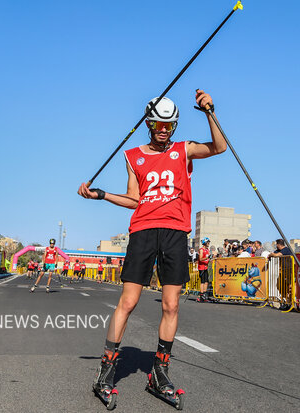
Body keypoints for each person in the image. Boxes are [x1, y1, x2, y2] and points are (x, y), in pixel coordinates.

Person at [78, 90, 225, 400]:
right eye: (159, 124)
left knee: (171, 304)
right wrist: (102, 195)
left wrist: (209, 111)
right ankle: (106, 370)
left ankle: (159, 373)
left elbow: (219, 146)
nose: (164, 130)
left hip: (175, 232)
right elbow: (134, 199)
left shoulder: (184, 150)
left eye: (169, 125)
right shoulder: (133, 156)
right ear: (148, 122)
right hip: (143, 230)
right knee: (128, 302)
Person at [197, 237, 211, 302]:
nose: (208, 244)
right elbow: (200, 259)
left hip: (206, 267)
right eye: (208, 243)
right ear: (205, 243)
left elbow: (208, 258)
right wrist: (206, 257)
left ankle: (205, 294)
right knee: (202, 281)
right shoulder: (201, 250)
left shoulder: (207, 250)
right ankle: (201, 295)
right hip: (201, 267)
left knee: (206, 281)